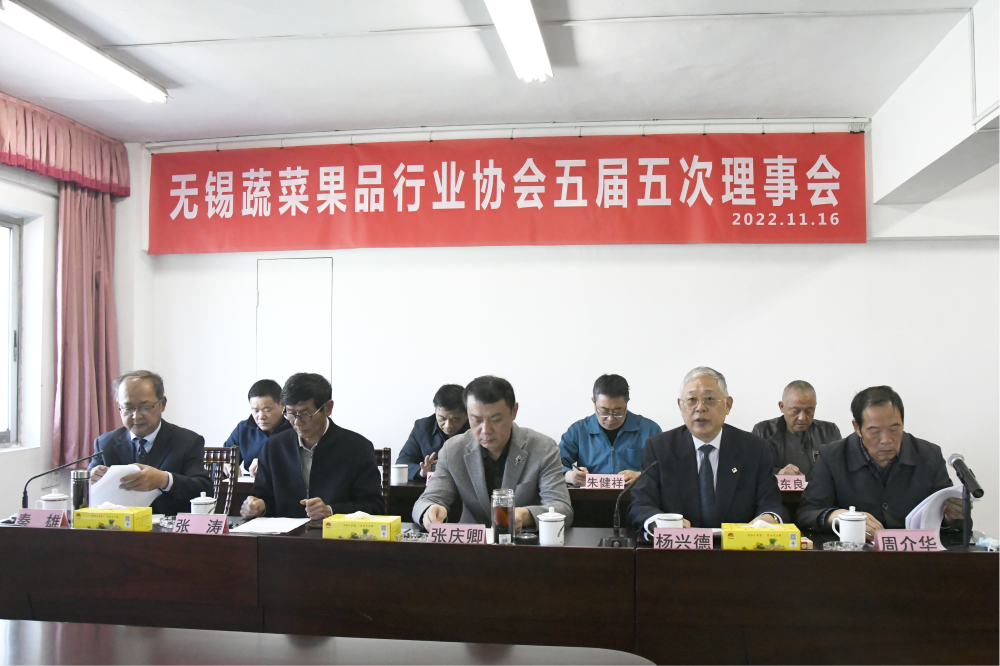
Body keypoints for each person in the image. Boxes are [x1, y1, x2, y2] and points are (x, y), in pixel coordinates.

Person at [628, 367, 787, 535]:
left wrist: (769, 518)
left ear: (728, 405)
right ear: (680, 406)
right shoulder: (659, 448)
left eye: (709, 399)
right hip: (680, 546)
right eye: (691, 400)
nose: (700, 408)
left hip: (735, 547)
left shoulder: (755, 449)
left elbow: (772, 504)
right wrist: (659, 522)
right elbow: (640, 505)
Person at [796, 386, 966, 538]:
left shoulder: (929, 456)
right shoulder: (833, 456)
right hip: (855, 555)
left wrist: (951, 517)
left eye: (894, 429)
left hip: (913, 555)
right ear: (857, 427)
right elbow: (806, 513)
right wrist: (840, 516)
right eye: (875, 431)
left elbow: (956, 524)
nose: (886, 440)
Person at [413, 376, 573, 531]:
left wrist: (525, 515)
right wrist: (430, 510)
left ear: (514, 411)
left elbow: (562, 508)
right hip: (472, 542)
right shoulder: (453, 450)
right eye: (476, 420)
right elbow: (428, 499)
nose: (486, 430)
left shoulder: (543, 448)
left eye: (495, 419)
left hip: (523, 541)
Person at [241, 373, 384, 520]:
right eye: (291, 414)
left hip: (334, 533)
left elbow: (375, 507)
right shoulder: (274, 447)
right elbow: (263, 497)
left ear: (328, 408)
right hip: (285, 534)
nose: (297, 422)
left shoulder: (357, 448)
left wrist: (331, 511)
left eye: (305, 414)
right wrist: (257, 507)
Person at [89, 370, 212, 516]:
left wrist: (165, 480)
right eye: (128, 408)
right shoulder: (105, 444)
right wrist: (90, 479)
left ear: (162, 404)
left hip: (168, 527)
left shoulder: (187, 441)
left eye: (145, 407)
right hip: (118, 526)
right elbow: (86, 493)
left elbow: (204, 489)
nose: (136, 416)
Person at [560, 374, 662, 486]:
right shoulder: (578, 431)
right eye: (604, 411)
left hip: (637, 494)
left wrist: (642, 476)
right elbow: (554, 465)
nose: (611, 419)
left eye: (618, 411)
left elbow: (666, 468)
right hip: (589, 495)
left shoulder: (650, 430)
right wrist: (569, 475)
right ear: (594, 401)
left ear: (627, 403)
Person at [751, 380, 842, 480]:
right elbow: (752, 471)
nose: (802, 418)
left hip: (818, 490)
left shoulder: (829, 431)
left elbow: (840, 470)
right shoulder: (763, 431)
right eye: (795, 411)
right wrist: (778, 473)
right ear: (782, 406)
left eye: (809, 411)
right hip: (776, 489)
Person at [396, 384, 469, 482]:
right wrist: (421, 471)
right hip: (429, 488)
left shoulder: (478, 430)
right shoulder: (422, 428)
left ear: (468, 414)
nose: (448, 426)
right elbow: (402, 463)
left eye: (455, 419)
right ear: (435, 411)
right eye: (442, 418)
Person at [223, 379, 292, 476]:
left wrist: (269, 464)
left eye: (267, 410)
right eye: (255, 411)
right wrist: (224, 466)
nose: (261, 416)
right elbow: (221, 458)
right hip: (250, 484)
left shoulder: (294, 430)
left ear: (282, 405)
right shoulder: (243, 429)